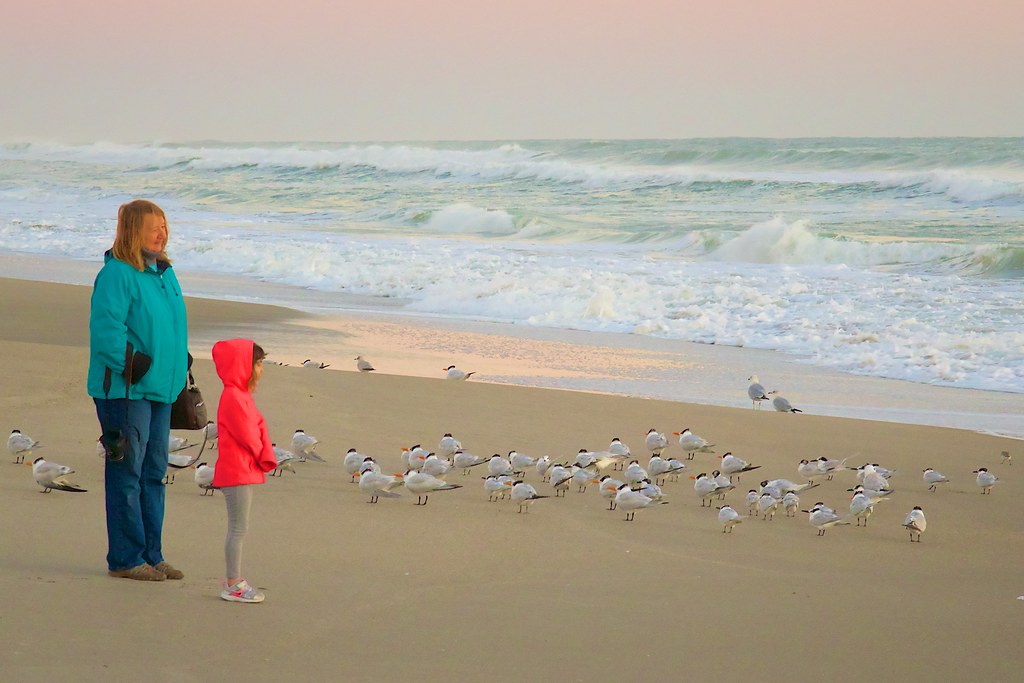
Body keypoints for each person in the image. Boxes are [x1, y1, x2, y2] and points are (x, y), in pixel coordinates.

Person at [89, 199, 188, 581]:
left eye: (164, 225)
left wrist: (179, 365)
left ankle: (151, 554)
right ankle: (126, 559)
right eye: (153, 227)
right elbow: (106, 329)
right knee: (127, 472)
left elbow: (170, 328)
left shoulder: (164, 273)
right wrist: (134, 365)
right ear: (133, 231)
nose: (161, 233)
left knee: (154, 473)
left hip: (161, 390)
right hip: (125, 391)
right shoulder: (118, 273)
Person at [211, 339, 278, 603]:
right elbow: (249, 434)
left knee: (239, 527)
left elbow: (256, 427)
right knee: (238, 528)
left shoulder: (240, 395)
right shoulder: (233, 397)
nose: (262, 369)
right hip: (236, 471)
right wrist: (263, 455)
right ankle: (234, 583)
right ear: (243, 366)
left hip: (241, 469)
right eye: (259, 363)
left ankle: (234, 580)